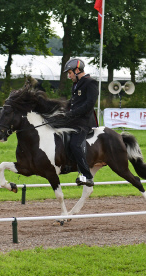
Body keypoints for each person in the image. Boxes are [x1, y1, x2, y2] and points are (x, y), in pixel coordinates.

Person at [64, 58, 99, 187]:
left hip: (84, 121)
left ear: (77, 70)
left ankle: (87, 176)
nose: (69, 76)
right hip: (73, 119)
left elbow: (89, 104)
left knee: (75, 145)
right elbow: (73, 102)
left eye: (70, 73)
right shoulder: (76, 84)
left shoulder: (91, 83)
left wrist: (72, 113)